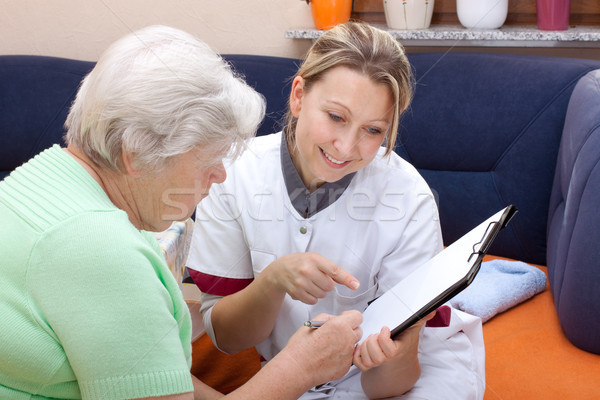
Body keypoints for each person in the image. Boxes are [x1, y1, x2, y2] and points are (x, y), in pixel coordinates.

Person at [0, 25, 364, 400]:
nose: (220, 174)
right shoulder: (103, 252)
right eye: (208, 158)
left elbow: (141, 374)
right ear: (137, 153)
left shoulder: (40, 177)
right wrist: (302, 367)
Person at [187, 21, 485, 399]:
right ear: (298, 96)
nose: (346, 147)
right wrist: (273, 281)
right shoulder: (231, 175)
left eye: (373, 130)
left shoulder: (409, 199)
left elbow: (390, 383)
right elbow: (228, 340)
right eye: (337, 117)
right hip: (292, 373)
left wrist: (389, 354)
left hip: (408, 379)